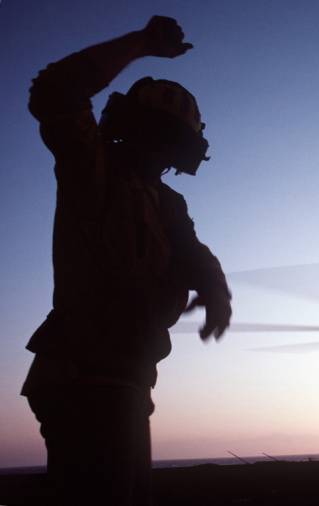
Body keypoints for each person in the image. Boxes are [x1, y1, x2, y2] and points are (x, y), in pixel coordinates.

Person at [21, 16, 232, 506]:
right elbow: (55, 92)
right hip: (84, 380)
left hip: (127, 381)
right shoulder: (92, 169)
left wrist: (215, 290)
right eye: (158, 140)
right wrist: (139, 44)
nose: (160, 158)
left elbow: (195, 253)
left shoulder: (166, 203)